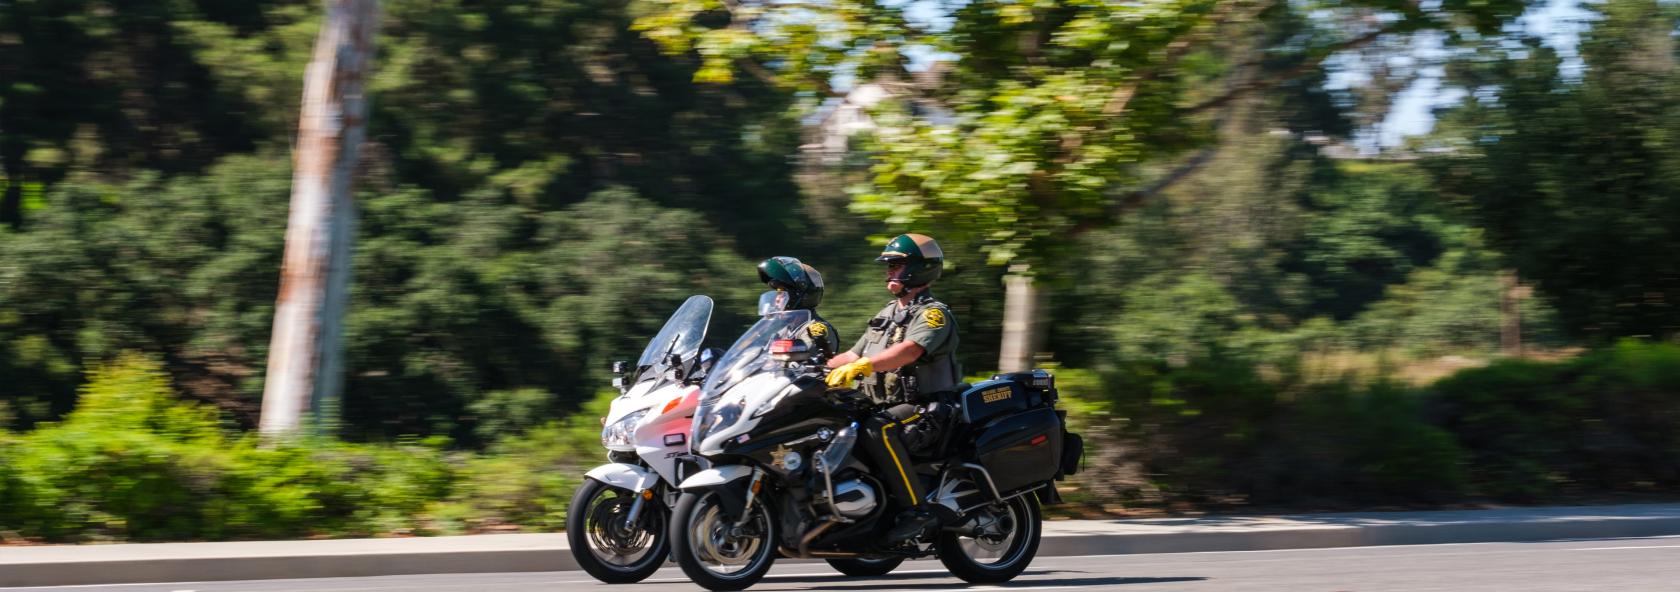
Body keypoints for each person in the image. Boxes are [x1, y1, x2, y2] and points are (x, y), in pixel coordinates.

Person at [824, 233, 960, 544]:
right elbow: (852, 355)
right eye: (888, 266)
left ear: (919, 269)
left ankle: (918, 510)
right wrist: (816, 370)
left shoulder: (933, 314)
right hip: (884, 404)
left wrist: (863, 367)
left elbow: (909, 351)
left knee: (877, 429)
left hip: (925, 407)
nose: (889, 272)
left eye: (896, 266)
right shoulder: (887, 313)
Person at [756, 256, 840, 358]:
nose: (776, 299)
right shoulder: (783, 331)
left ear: (797, 296)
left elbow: (808, 360)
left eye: (781, 293)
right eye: (776, 293)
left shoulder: (816, 330)